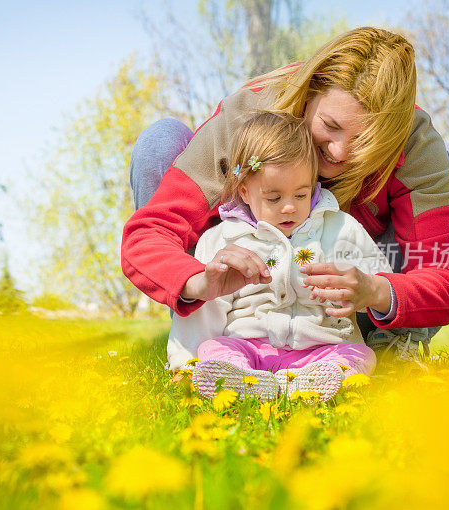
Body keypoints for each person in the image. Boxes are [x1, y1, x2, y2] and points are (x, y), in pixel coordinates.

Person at [122, 26, 449, 364]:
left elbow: (439, 278)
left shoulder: (414, 146)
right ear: (309, 92)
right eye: (330, 126)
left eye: (365, 143)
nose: (339, 152)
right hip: (242, 291)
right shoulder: (247, 121)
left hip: (355, 289)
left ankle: (391, 345)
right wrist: (198, 282)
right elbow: (148, 234)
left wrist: (376, 289)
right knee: (160, 142)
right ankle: (206, 340)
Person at [168, 111, 392, 401]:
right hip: (249, 346)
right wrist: (185, 364)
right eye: (274, 198)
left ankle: (315, 382)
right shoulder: (225, 239)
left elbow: (380, 282)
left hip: (321, 348)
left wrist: (361, 291)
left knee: (357, 354)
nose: (289, 207)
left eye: (301, 195)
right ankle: (241, 379)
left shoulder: (339, 228)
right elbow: (205, 309)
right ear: (245, 191)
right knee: (215, 350)